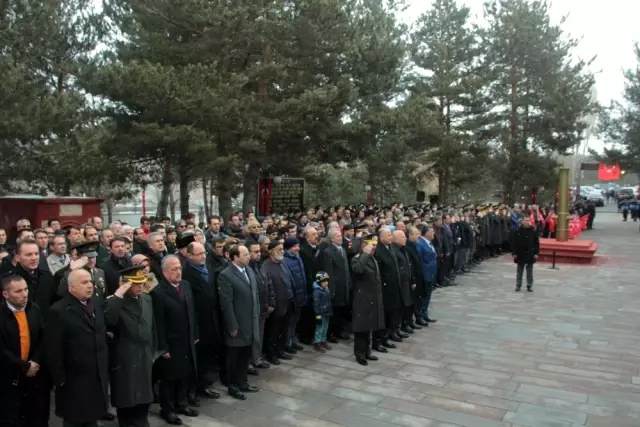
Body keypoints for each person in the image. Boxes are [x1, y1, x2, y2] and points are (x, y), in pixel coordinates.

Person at [45, 269, 109, 427]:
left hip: (96, 378)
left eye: (91, 282)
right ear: (71, 287)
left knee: (92, 421)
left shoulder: (96, 305)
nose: (90, 286)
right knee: (75, 421)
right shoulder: (58, 311)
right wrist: (61, 381)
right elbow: (54, 351)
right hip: (73, 383)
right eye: (84, 282)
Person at [105, 266, 156, 427]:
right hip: (125, 356)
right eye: (135, 283)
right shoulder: (115, 302)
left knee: (144, 396)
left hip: (144, 354)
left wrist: (153, 351)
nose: (140, 286)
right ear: (125, 284)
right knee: (127, 398)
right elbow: (110, 320)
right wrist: (118, 295)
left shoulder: (147, 299)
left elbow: (152, 325)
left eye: (142, 282)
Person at [151, 255, 199, 425]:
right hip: (170, 343)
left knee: (185, 374)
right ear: (164, 272)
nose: (178, 272)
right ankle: (168, 409)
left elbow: (192, 312)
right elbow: (158, 323)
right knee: (169, 378)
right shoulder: (158, 292)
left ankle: (182, 403)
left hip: (186, 340)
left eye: (179, 268)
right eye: (174, 269)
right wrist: (163, 348)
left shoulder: (185, 285)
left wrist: (195, 334)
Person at [0, 274, 49, 427]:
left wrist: (35, 362)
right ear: (5, 294)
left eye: (26, 289)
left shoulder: (33, 309)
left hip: (35, 375)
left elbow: (43, 338)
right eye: (18, 291)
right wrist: (24, 366)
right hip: (8, 379)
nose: (24, 294)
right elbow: (1, 350)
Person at [217, 244, 261, 400]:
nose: (249, 256)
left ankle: (243, 382)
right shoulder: (225, 275)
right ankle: (232, 386)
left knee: (245, 356)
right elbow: (226, 303)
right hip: (237, 324)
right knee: (233, 358)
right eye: (245, 254)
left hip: (250, 321)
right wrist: (232, 325)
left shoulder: (248, 270)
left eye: (249, 254)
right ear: (235, 257)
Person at [181, 242, 222, 401]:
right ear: (189, 255)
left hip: (211, 320)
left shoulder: (208, 267)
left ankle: (203, 385)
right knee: (196, 359)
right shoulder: (186, 273)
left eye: (204, 252)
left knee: (207, 357)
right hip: (198, 323)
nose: (203, 256)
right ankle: (192, 390)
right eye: (199, 254)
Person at [351, 234, 385, 365]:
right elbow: (358, 269)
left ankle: (368, 351)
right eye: (372, 245)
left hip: (373, 297)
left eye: (375, 246)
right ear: (364, 245)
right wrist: (365, 254)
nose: (374, 248)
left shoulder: (372, 259)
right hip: (362, 298)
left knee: (370, 326)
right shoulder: (358, 258)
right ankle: (360, 354)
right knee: (362, 328)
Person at [511, 215, 540, 292]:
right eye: (525, 220)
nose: (526, 222)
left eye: (528, 220)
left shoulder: (533, 230)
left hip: (530, 253)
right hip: (520, 253)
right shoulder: (518, 230)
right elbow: (514, 243)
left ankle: (529, 285)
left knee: (529, 271)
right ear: (522, 221)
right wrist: (514, 253)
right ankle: (518, 285)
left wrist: (536, 253)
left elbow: (536, 243)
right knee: (519, 271)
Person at [311, 271, 333, 353]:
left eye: (327, 281)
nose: (326, 283)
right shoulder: (317, 291)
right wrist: (317, 314)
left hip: (327, 311)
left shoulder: (326, 289)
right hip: (320, 313)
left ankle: (323, 340)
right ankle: (317, 342)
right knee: (319, 328)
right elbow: (316, 304)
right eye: (324, 281)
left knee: (325, 327)